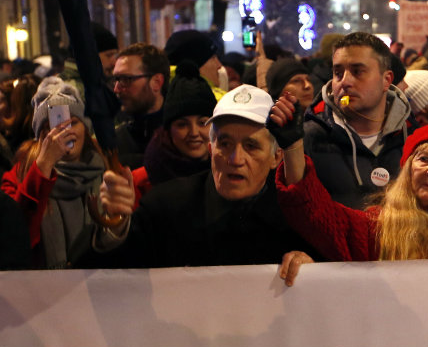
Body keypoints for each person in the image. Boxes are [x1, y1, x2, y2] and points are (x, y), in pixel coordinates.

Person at [88, 84, 315, 268]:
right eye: (224, 144)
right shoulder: (165, 207)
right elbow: (106, 276)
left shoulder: (295, 217)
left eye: (251, 146)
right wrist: (114, 226)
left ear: (276, 157)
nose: (236, 159)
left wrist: (313, 268)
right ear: (210, 149)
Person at [277, 122, 428, 285]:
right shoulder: (374, 227)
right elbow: (316, 213)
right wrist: (293, 147)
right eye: (424, 159)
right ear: (408, 170)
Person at [1, 78, 105, 268]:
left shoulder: (105, 170)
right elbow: (16, 236)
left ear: (85, 128)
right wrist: (43, 167)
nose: (64, 132)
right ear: (41, 134)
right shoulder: (18, 175)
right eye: (52, 126)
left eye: (73, 123)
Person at [302, 32, 412, 209]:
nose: (344, 82)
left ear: (386, 80)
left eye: (358, 71)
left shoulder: (412, 137)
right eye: (338, 73)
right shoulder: (309, 137)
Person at [135, 60, 216, 191]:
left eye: (203, 123)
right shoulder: (141, 183)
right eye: (182, 125)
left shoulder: (232, 173)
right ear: (168, 130)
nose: (194, 133)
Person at [112, 44, 170, 169]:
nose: (116, 89)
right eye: (116, 79)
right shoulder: (116, 139)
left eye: (126, 79)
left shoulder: (180, 134)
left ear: (156, 82)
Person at [164, 30, 226, 99]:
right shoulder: (218, 101)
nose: (219, 65)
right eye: (213, 58)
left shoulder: (161, 98)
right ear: (194, 65)